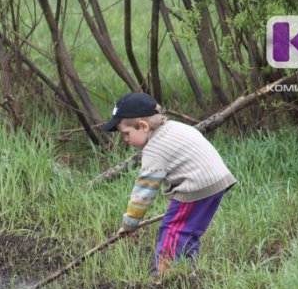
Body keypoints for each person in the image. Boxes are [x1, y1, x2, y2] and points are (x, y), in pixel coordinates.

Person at [100, 93, 236, 277]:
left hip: (195, 186)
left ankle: (163, 278)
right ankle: (188, 273)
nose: (125, 140)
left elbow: (145, 190)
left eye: (126, 134)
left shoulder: (154, 149)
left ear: (143, 126)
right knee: (188, 231)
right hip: (217, 181)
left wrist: (130, 223)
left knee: (172, 230)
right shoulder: (175, 127)